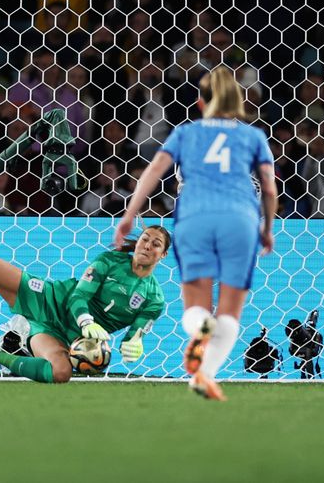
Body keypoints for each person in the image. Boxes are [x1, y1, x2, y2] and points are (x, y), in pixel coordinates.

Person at [114, 66, 276, 401]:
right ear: (239, 102)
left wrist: (130, 215)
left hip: (195, 216)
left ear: (201, 105)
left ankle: (200, 327)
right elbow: (271, 190)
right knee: (230, 310)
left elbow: (153, 171)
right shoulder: (253, 136)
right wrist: (267, 228)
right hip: (240, 219)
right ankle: (204, 375)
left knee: (196, 306)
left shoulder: (185, 133)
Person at [0, 213, 168, 384]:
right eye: (145, 239)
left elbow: (135, 335)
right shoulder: (110, 261)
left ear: (163, 255)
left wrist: (134, 345)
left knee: (60, 373)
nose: (147, 245)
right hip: (49, 298)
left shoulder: (154, 298)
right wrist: (86, 321)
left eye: (155, 244)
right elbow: (79, 295)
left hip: (65, 336)